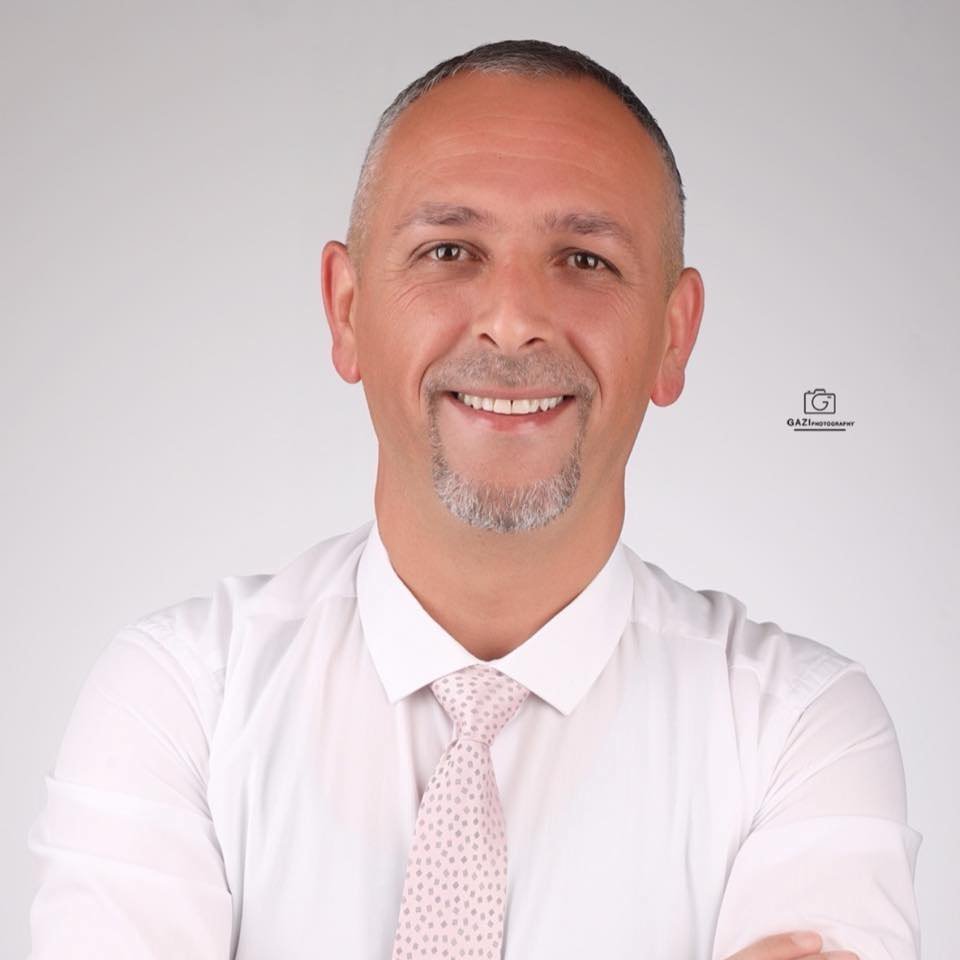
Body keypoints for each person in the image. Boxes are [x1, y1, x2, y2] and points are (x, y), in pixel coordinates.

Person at [26, 39, 921, 960]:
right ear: (346, 310)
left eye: (584, 260)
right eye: (449, 251)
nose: (512, 320)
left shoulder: (797, 731)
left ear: (673, 334)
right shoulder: (180, 698)